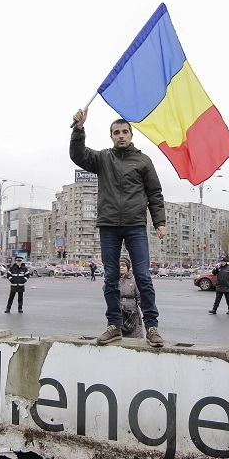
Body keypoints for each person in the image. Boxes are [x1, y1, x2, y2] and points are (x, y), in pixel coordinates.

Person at [70, 108, 166, 347]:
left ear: (131, 135)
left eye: (124, 132)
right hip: (109, 225)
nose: (120, 136)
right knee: (111, 277)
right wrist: (78, 130)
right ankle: (114, 326)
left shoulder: (143, 161)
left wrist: (159, 221)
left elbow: (155, 193)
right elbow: (78, 155)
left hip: (135, 225)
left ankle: (152, 327)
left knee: (143, 277)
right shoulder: (103, 158)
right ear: (111, 136)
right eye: (116, 132)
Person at [118, 257, 143, 337]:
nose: (121, 267)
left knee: (134, 336)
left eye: (124, 265)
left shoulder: (133, 279)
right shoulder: (114, 279)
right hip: (118, 312)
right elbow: (106, 290)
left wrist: (145, 312)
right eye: (119, 265)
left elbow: (139, 297)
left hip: (132, 312)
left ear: (128, 268)